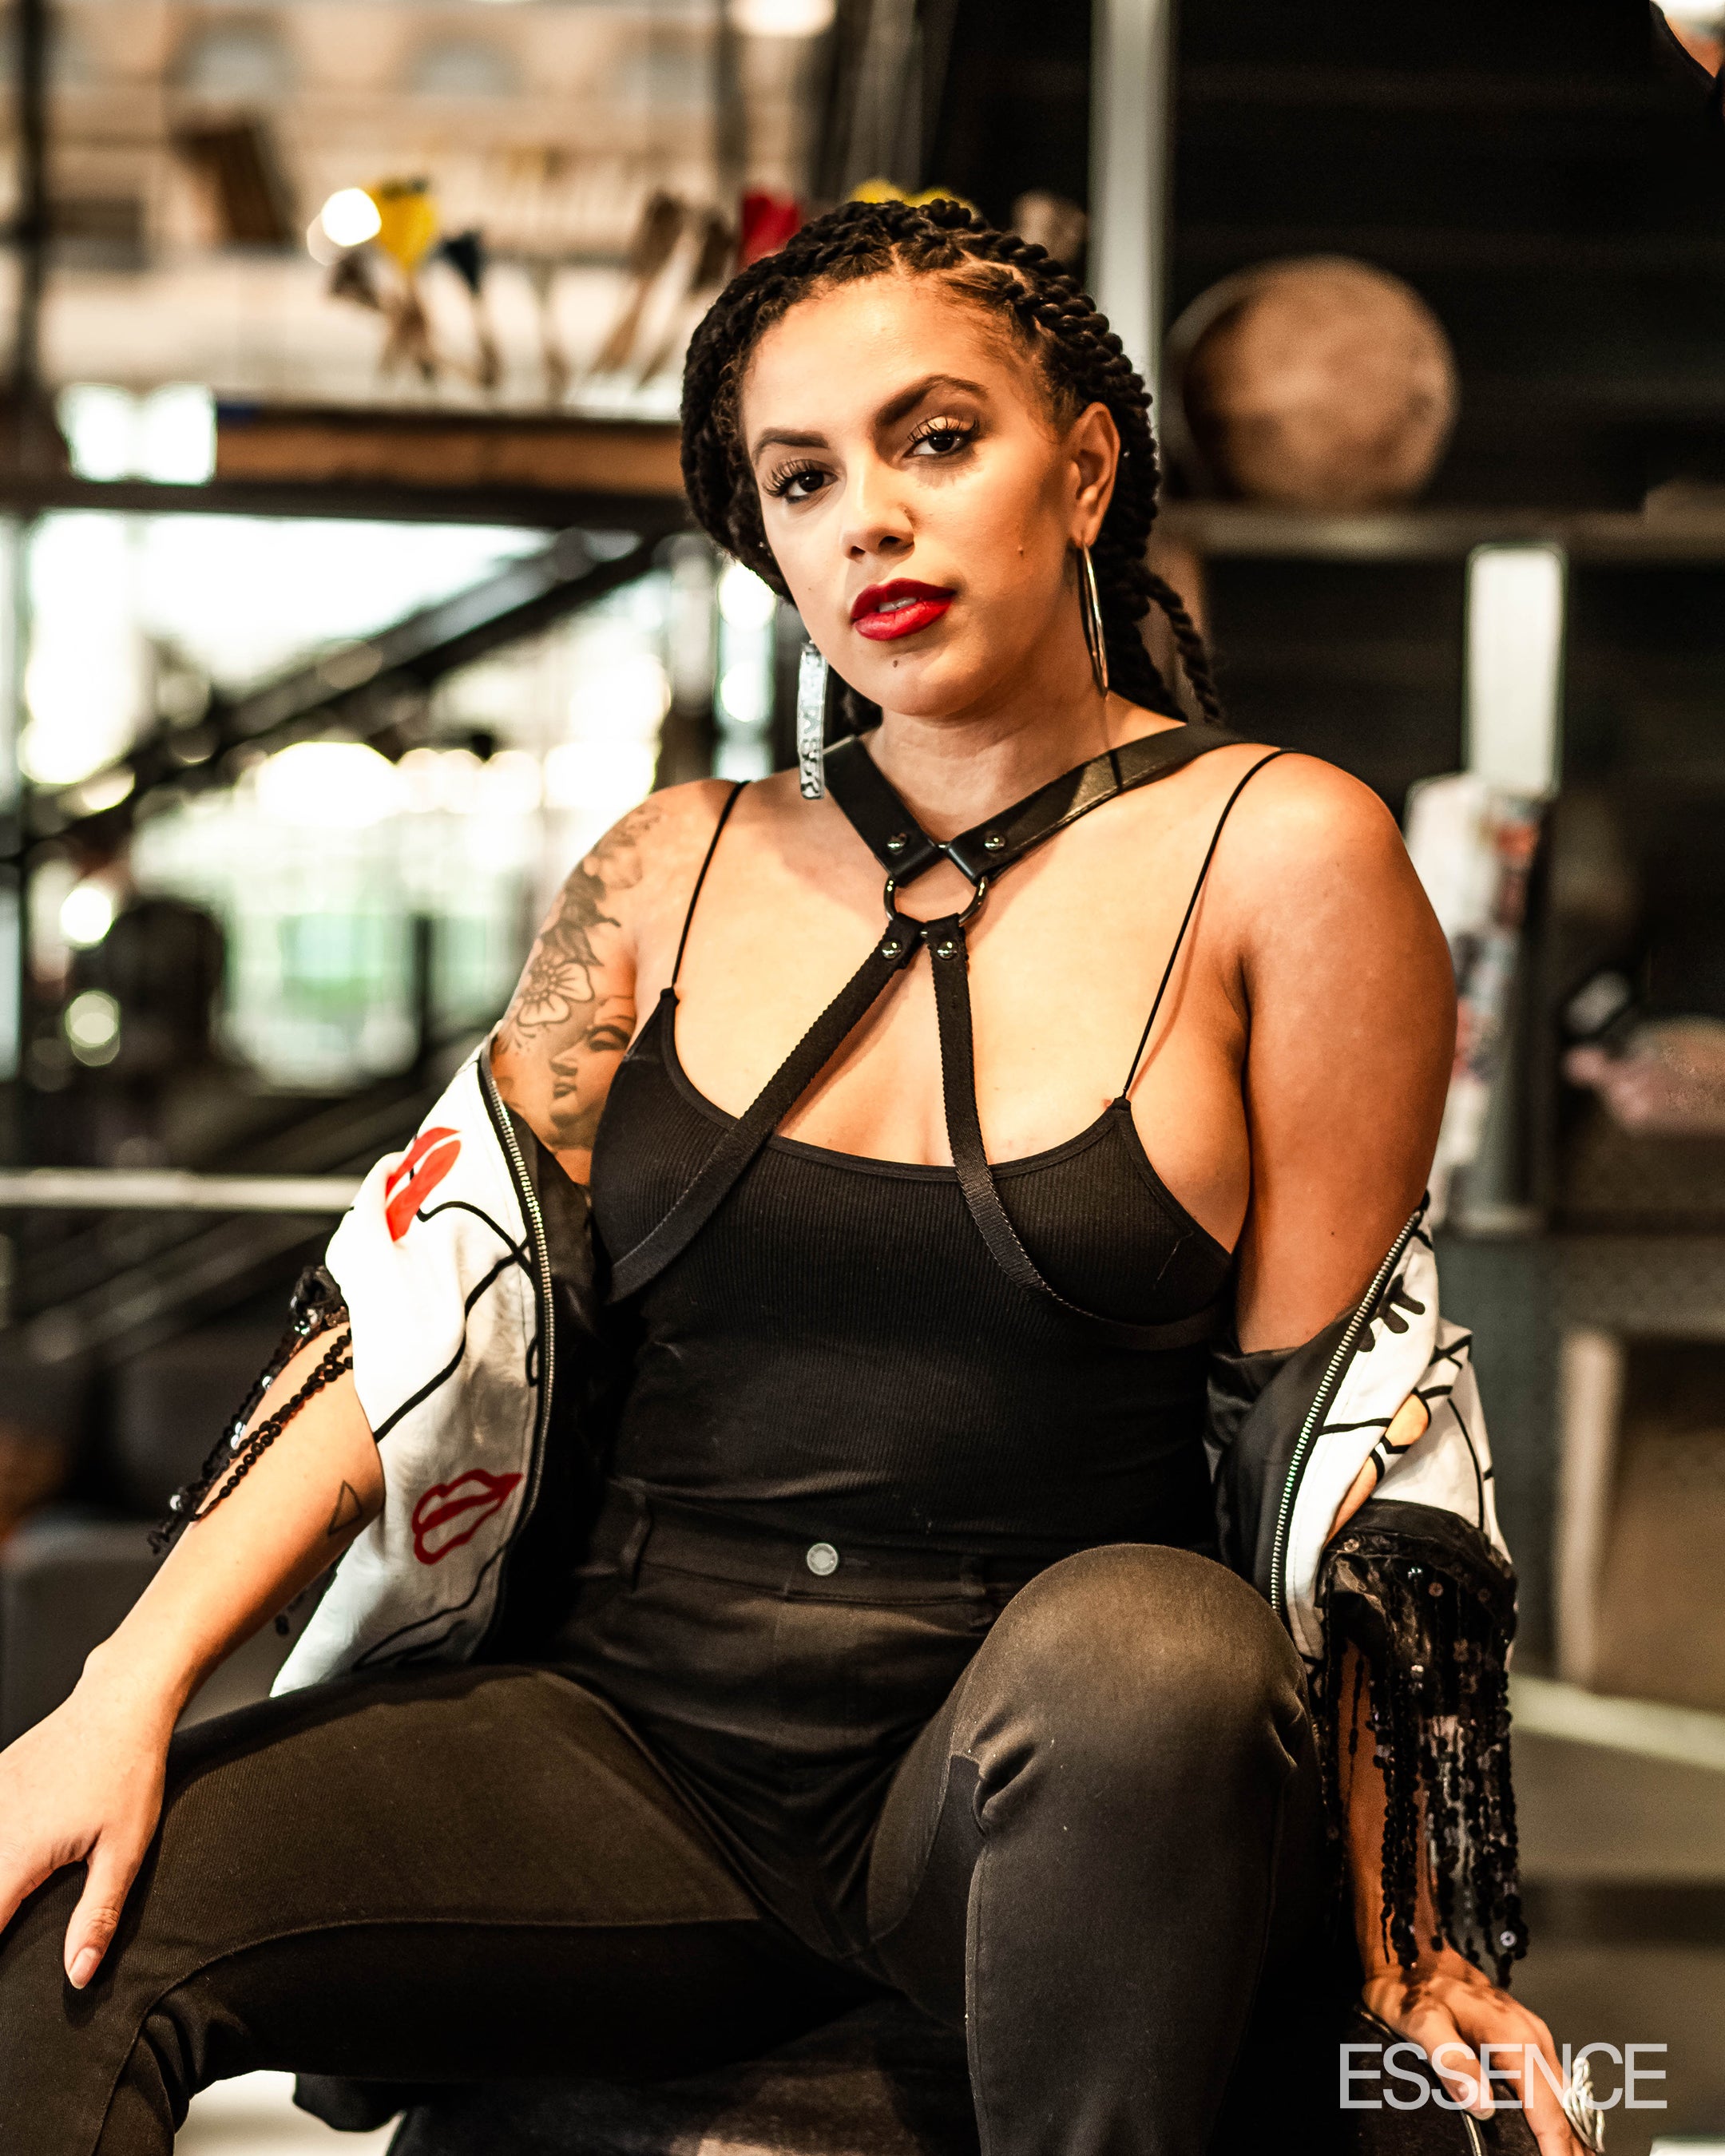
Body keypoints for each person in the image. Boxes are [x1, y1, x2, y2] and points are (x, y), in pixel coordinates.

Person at [0, 198, 1582, 2156]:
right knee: (57, 1928)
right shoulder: (664, 868)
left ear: (1087, 468)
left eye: (938, 440)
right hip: (625, 1754)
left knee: (1154, 1650)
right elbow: (415, 1317)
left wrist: (1416, 1934)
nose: (867, 525)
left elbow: (1339, 1433)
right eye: (802, 478)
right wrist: (122, 1691)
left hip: (1025, 1779)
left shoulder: (1288, 857)